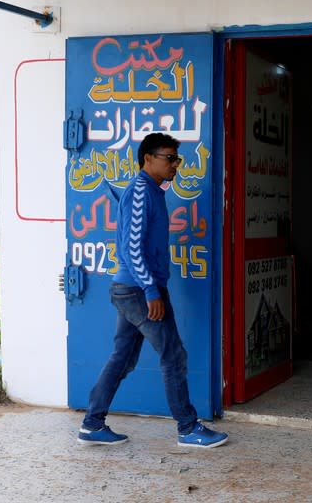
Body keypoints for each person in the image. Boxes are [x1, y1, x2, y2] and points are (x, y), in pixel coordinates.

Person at [78, 132, 228, 449]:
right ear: (148, 158)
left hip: (134, 288)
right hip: (137, 290)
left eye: (177, 159)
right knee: (173, 354)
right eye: (169, 158)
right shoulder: (140, 193)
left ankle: (92, 424)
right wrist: (151, 290)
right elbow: (133, 250)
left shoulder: (153, 192)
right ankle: (188, 428)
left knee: (122, 358)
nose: (175, 164)